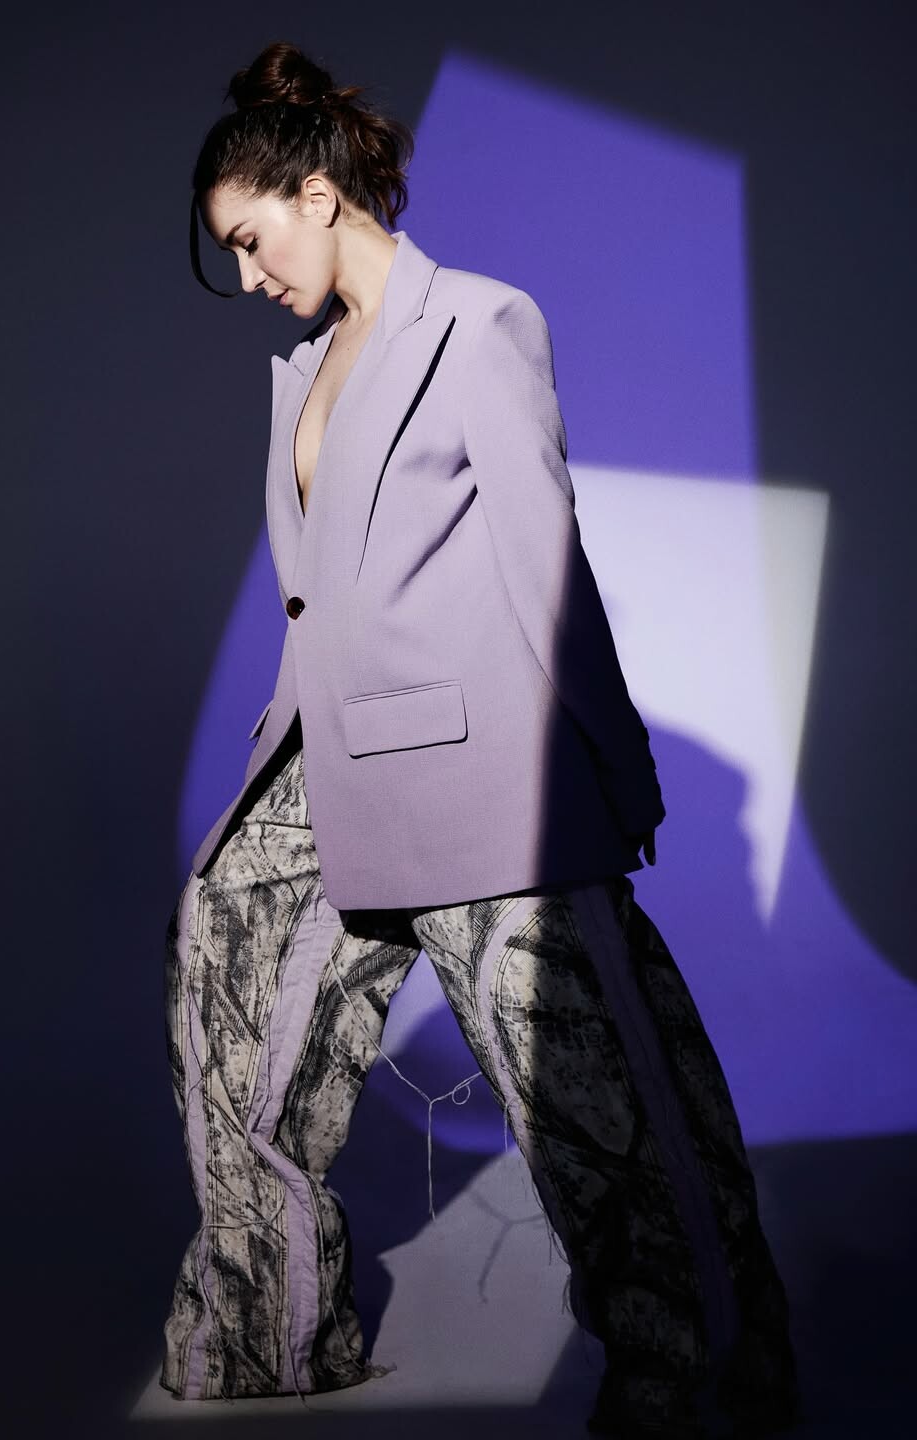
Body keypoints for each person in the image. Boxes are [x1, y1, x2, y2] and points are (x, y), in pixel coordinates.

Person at [160, 39, 802, 1440]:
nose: (250, 277)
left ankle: (702, 1371)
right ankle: (269, 1328)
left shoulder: (479, 324)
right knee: (221, 964)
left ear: (318, 192)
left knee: (594, 1099)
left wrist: (612, 766)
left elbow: (545, 562)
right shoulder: (309, 367)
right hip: (329, 760)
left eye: (252, 240)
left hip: (477, 783)